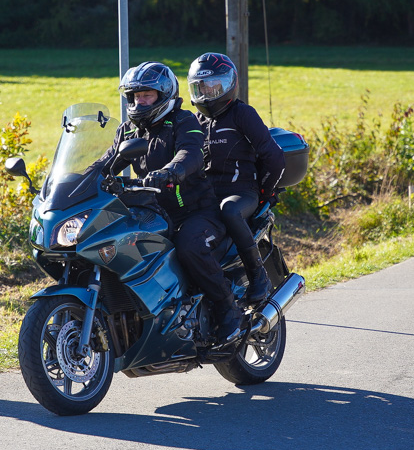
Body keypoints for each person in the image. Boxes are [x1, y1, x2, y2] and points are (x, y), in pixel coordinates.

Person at [95, 61, 242, 343]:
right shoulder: (127, 130)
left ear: (163, 96)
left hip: (196, 212)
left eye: (146, 95)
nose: (139, 101)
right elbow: (106, 163)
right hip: (151, 211)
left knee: (190, 246)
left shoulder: (184, 121)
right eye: (135, 96)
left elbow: (191, 153)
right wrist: (76, 182)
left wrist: (171, 171)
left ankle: (228, 309)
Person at [187, 53, 285, 305]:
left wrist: (266, 191)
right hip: (207, 196)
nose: (207, 93)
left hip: (242, 192)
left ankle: (258, 276)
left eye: (213, 85)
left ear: (228, 84)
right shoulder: (195, 121)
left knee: (229, 210)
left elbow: (273, 156)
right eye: (201, 87)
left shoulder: (242, 114)